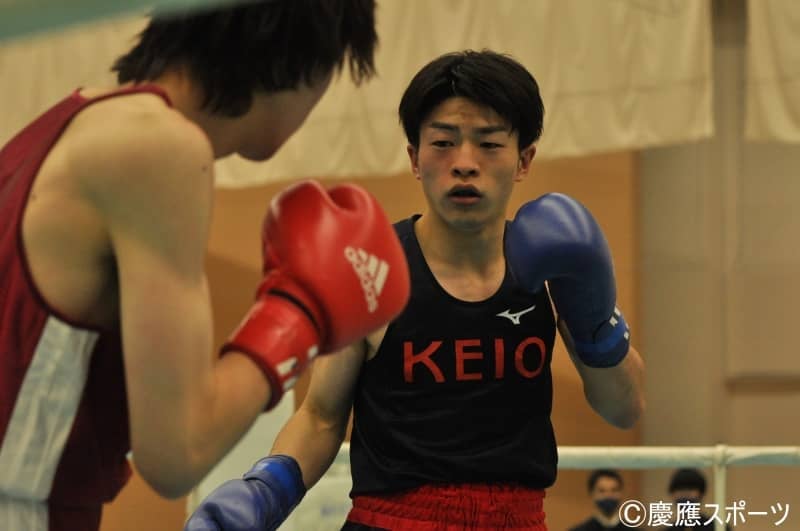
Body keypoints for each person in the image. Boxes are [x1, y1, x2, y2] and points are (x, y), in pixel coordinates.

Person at [184, 49, 646, 531]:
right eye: (443, 143)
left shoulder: (554, 266)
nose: (464, 163)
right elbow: (320, 418)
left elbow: (624, 408)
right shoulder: (369, 271)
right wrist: (265, 490)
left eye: (489, 144)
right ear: (414, 158)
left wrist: (597, 322)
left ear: (523, 160)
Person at [0, 2, 412, 531]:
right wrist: (299, 314)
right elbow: (178, 454)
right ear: (304, 60)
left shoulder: (70, 120)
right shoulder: (161, 147)